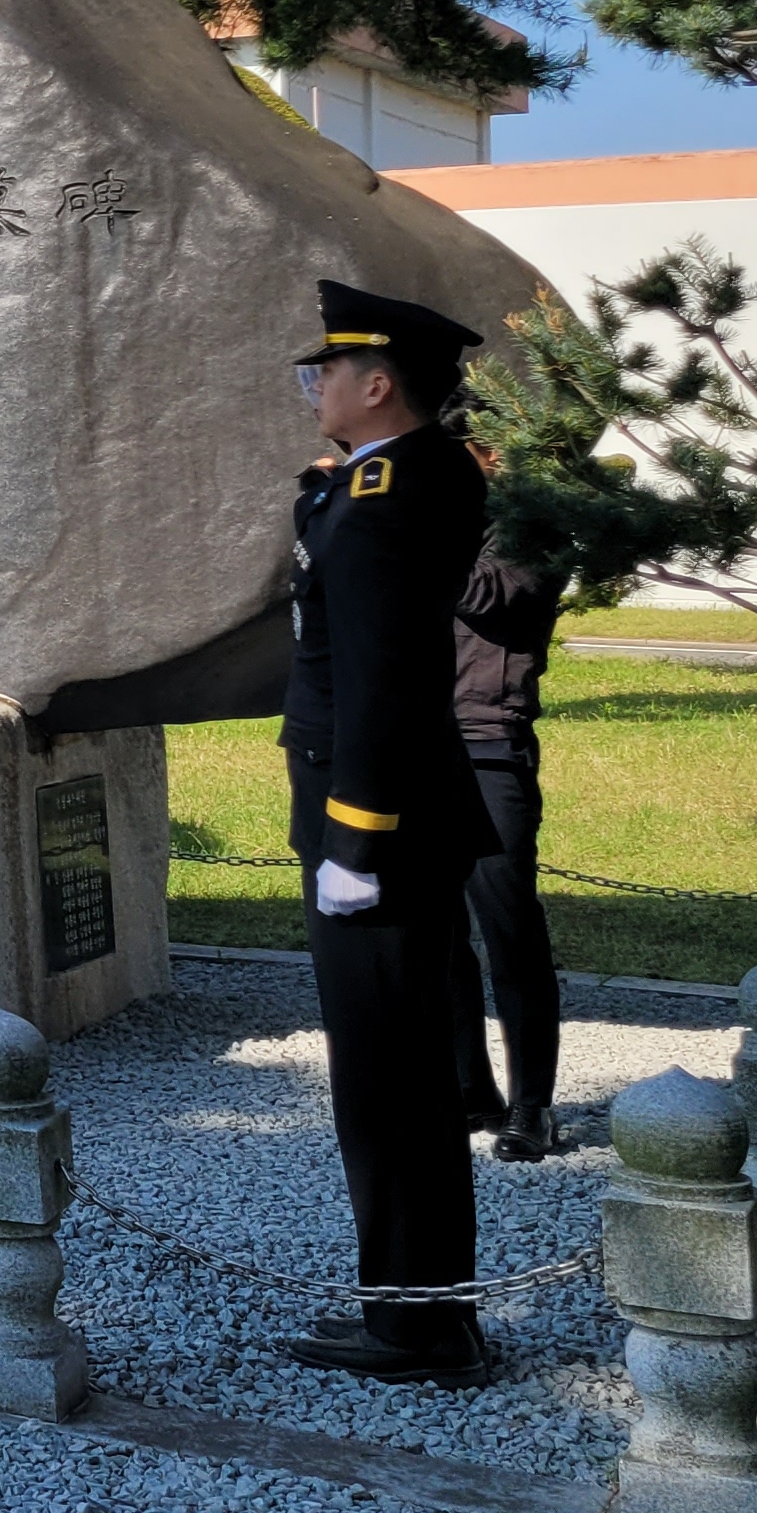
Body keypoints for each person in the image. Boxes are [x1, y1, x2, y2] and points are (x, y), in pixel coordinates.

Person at [278, 279, 498, 1387]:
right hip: (386, 819)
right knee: (396, 1076)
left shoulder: (384, 498)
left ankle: (417, 1325)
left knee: (389, 1086)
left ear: (378, 385)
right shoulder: (391, 481)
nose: (313, 386)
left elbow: (382, 685)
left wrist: (354, 845)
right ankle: (417, 1308)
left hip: (375, 829)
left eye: (327, 370)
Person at [447, 406, 569, 1162]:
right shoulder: (442, 524)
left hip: (490, 745)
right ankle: (470, 1086)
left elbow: (490, 596)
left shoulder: (534, 527)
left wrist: (427, 527)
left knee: (509, 930)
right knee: (437, 930)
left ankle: (533, 1105)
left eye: (461, 451)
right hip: (424, 740)